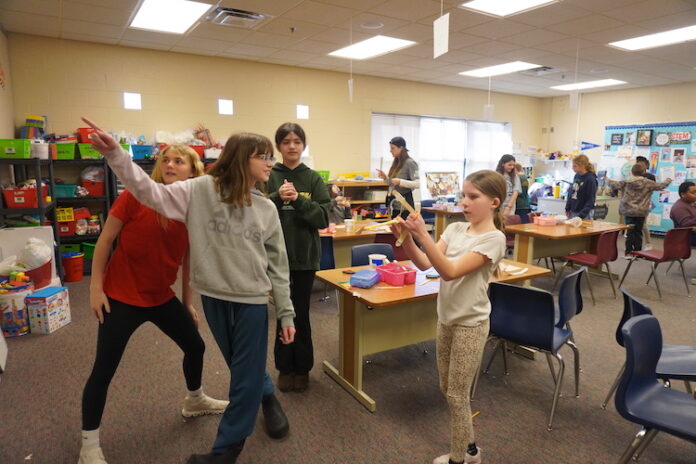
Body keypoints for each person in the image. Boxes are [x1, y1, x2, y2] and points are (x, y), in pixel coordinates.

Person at [82, 117, 296, 464]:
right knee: (241, 366)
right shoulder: (199, 191)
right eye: (264, 156)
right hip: (210, 296)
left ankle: (226, 449)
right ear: (241, 157)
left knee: (242, 373)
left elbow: (278, 265)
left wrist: (286, 312)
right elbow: (148, 191)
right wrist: (116, 154)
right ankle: (266, 395)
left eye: (271, 157)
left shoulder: (266, 208)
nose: (271, 163)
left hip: (249, 299)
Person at [79, 145, 227, 464]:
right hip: (120, 298)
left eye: (179, 161)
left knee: (195, 346)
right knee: (104, 369)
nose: (170, 165)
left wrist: (187, 304)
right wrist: (95, 288)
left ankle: (194, 400)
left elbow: (188, 259)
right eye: (166, 160)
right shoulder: (135, 195)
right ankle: (88, 446)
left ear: (193, 172)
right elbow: (105, 240)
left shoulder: (192, 208)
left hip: (160, 297)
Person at [390, 170, 506, 464]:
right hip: (446, 319)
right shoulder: (455, 230)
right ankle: (471, 449)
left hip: (471, 325)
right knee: (448, 389)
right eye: (463, 195)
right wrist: (406, 238)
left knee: (456, 394)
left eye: (473, 196)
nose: (465, 202)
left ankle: (459, 459)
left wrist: (422, 235)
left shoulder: (494, 239)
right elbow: (424, 263)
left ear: (494, 202)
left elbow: (450, 272)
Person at [267, 122, 331, 393]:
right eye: (286, 142)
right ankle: (285, 367)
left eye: (297, 141)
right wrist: (276, 197)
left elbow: (323, 218)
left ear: (303, 145)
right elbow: (253, 210)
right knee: (283, 313)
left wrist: (299, 200)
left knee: (301, 314)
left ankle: (302, 368)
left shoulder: (313, 178)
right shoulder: (269, 175)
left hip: (304, 258)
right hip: (274, 259)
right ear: (278, 146)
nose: (292, 146)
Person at [607, 164, 671, 254]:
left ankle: (628, 252)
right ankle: (638, 252)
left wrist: (605, 178)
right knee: (638, 232)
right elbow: (661, 186)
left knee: (630, 232)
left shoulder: (625, 181)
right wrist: (668, 179)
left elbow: (613, 184)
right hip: (641, 211)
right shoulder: (648, 183)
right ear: (643, 172)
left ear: (632, 172)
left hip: (628, 210)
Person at [376, 136, 420, 219]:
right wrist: (385, 178)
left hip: (405, 205)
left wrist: (400, 181)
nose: (390, 150)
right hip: (395, 204)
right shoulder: (397, 162)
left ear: (401, 148)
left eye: (393, 148)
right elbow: (392, 184)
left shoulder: (410, 163)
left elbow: (418, 183)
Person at [565, 154, 598, 219]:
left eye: (575, 166)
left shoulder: (590, 179)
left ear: (582, 166)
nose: (572, 168)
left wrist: (581, 215)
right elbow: (571, 193)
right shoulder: (576, 176)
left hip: (584, 213)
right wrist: (568, 208)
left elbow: (591, 199)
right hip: (574, 211)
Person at [635, 155, 656, 249]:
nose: (639, 166)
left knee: (643, 224)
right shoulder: (634, 175)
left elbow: (651, 189)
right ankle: (633, 244)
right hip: (634, 203)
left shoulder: (650, 176)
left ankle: (648, 243)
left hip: (645, 203)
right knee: (633, 225)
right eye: (637, 164)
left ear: (646, 166)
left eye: (641, 164)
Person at [670, 181, 696, 247]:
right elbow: (686, 224)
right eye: (693, 193)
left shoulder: (691, 203)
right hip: (688, 236)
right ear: (683, 194)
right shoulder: (679, 207)